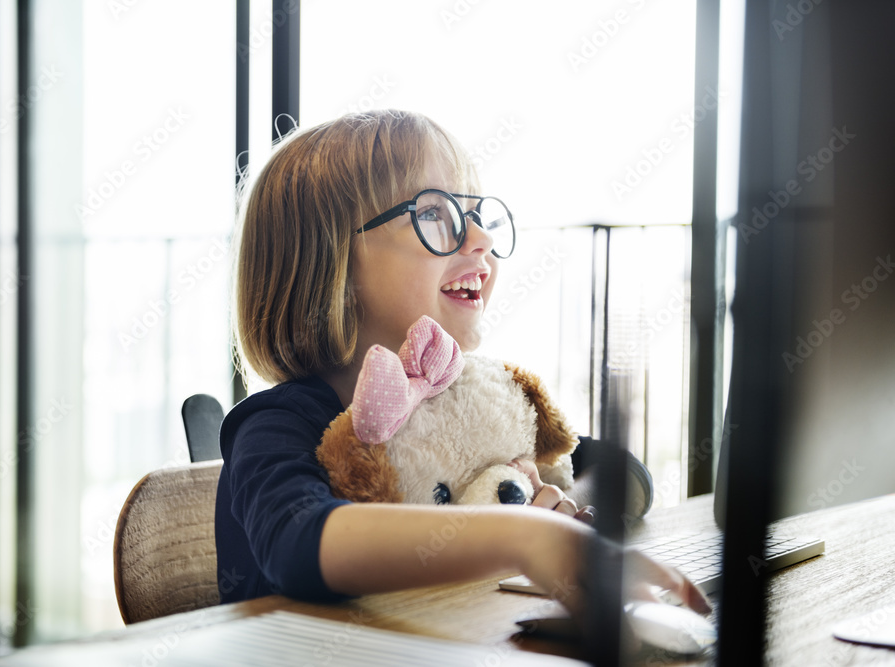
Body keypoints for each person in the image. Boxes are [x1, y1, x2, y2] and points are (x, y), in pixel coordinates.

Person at [215, 109, 710, 624]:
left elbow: (621, 470)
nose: (481, 239)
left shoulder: (457, 412)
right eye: (435, 214)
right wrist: (521, 536)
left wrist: (556, 507)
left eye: (476, 215)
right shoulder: (276, 425)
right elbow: (298, 543)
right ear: (330, 263)